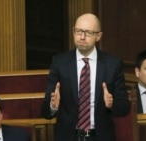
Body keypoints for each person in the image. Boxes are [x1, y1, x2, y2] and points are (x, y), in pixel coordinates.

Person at [41, 13, 130, 141]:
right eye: (78, 31)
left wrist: (112, 104)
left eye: (88, 33)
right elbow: (45, 112)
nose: (82, 37)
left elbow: (124, 108)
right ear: (73, 31)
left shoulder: (112, 64)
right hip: (68, 137)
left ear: (98, 36)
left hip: (101, 137)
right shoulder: (59, 63)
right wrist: (53, 106)